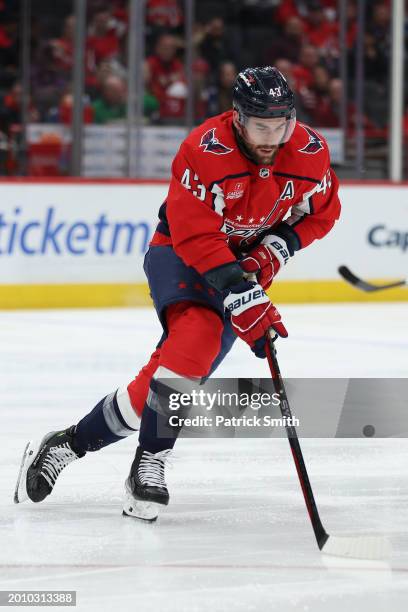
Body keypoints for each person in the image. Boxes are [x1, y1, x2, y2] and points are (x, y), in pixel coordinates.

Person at [14, 66, 341, 522]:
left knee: (166, 382)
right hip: (181, 256)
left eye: (280, 124)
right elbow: (195, 236)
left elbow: (322, 214)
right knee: (195, 343)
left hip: (241, 267)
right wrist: (241, 294)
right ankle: (149, 465)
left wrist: (273, 252)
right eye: (261, 126)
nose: (272, 136)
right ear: (238, 117)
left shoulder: (309, 151)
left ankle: (67, 444)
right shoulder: (203, 151)